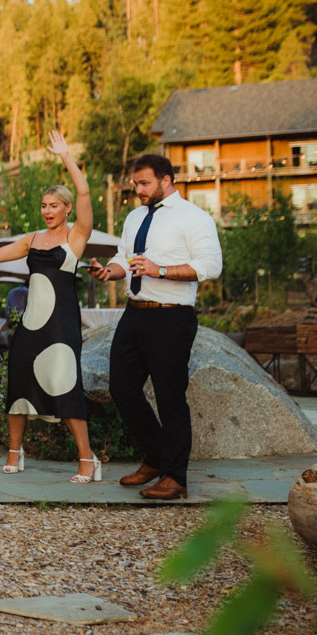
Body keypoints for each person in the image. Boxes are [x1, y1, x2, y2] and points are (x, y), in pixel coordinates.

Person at [0, 130, 99, 482]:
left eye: (54, 206)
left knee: (65, 384)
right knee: (19, 385)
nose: (48, 211)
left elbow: (84, 191)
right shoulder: (32, 240)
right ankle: (15, 450)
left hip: (62, 324)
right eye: (44, 206)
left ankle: (87, 458)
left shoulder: (76, 237)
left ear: (67, 209)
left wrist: (65, 156)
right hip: (32, 324)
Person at [88, 152, 223, 501]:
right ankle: (155, 457)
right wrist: (109, 271)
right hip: (135, 313)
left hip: (171, 316)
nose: (138, 190)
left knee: (170, 397)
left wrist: (159, 270)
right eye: (135, 184)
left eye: (144, 183)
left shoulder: (195, 217)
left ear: (166, 180)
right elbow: (124, 259)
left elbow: (210, 266)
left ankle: (176, 477)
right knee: (122, 388)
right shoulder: (134, 217)